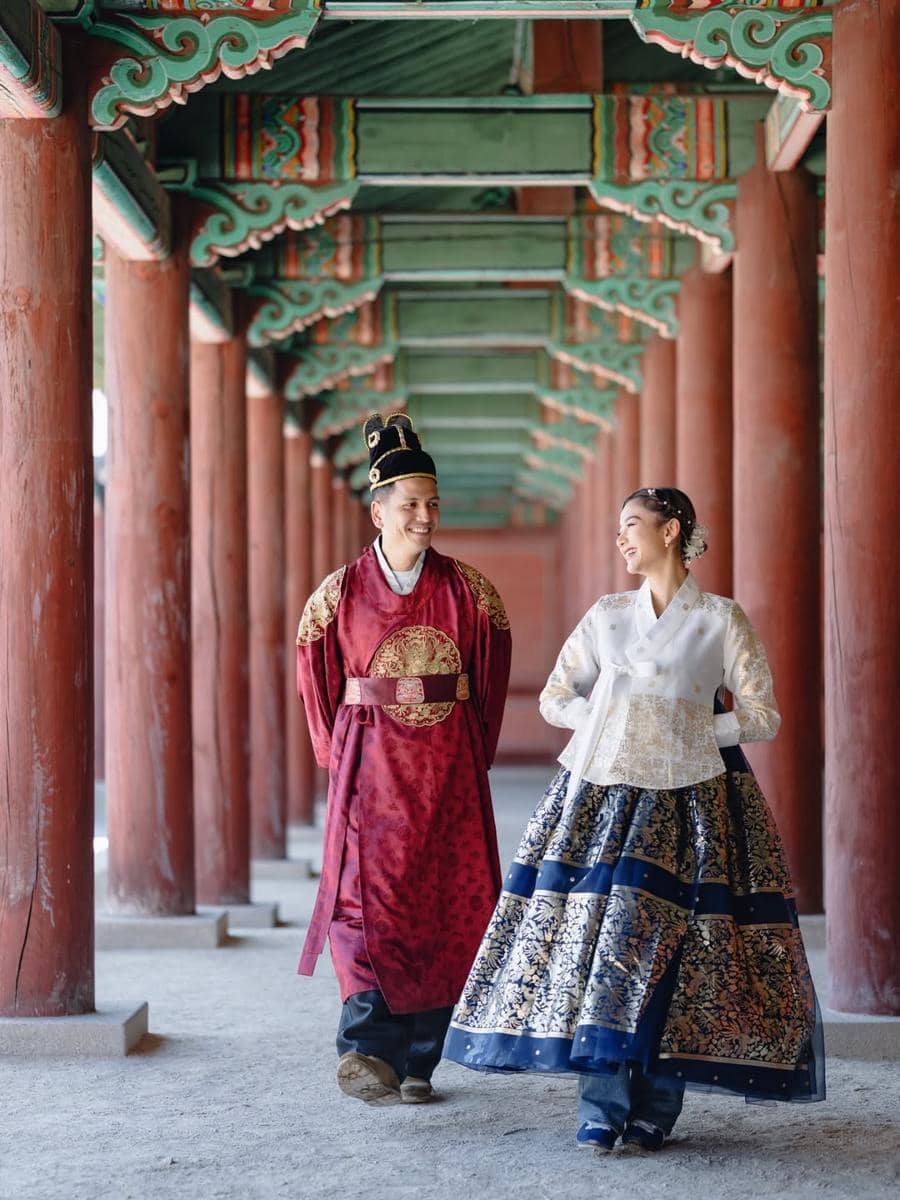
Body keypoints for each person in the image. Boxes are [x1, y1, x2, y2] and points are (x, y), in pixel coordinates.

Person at [445, 486, 824, 1152]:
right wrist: (614, 718)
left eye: (632, 526)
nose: (621, 539)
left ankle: (656, 1107)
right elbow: (557, 699)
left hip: (698, 795)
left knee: (682, 949)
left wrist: (687, 725)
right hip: (605, 793)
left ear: (672, 530)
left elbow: (764, 715)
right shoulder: (606, 616)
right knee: (604, 938)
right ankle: (600, 1102)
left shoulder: (719, 619)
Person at [296, 412, 512, 1107]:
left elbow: (491, 681)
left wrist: (470, 752)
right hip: (371, 773)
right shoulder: (335, 595)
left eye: (433, 504)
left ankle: (422, 1060)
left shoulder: (472, 593)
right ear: (378, 508)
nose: (425, 517)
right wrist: (341, 754)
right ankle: (365, 1051)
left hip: (447, 772)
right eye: (411, 504)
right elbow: (317, 681)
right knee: (363, 904)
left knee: (447, 905)